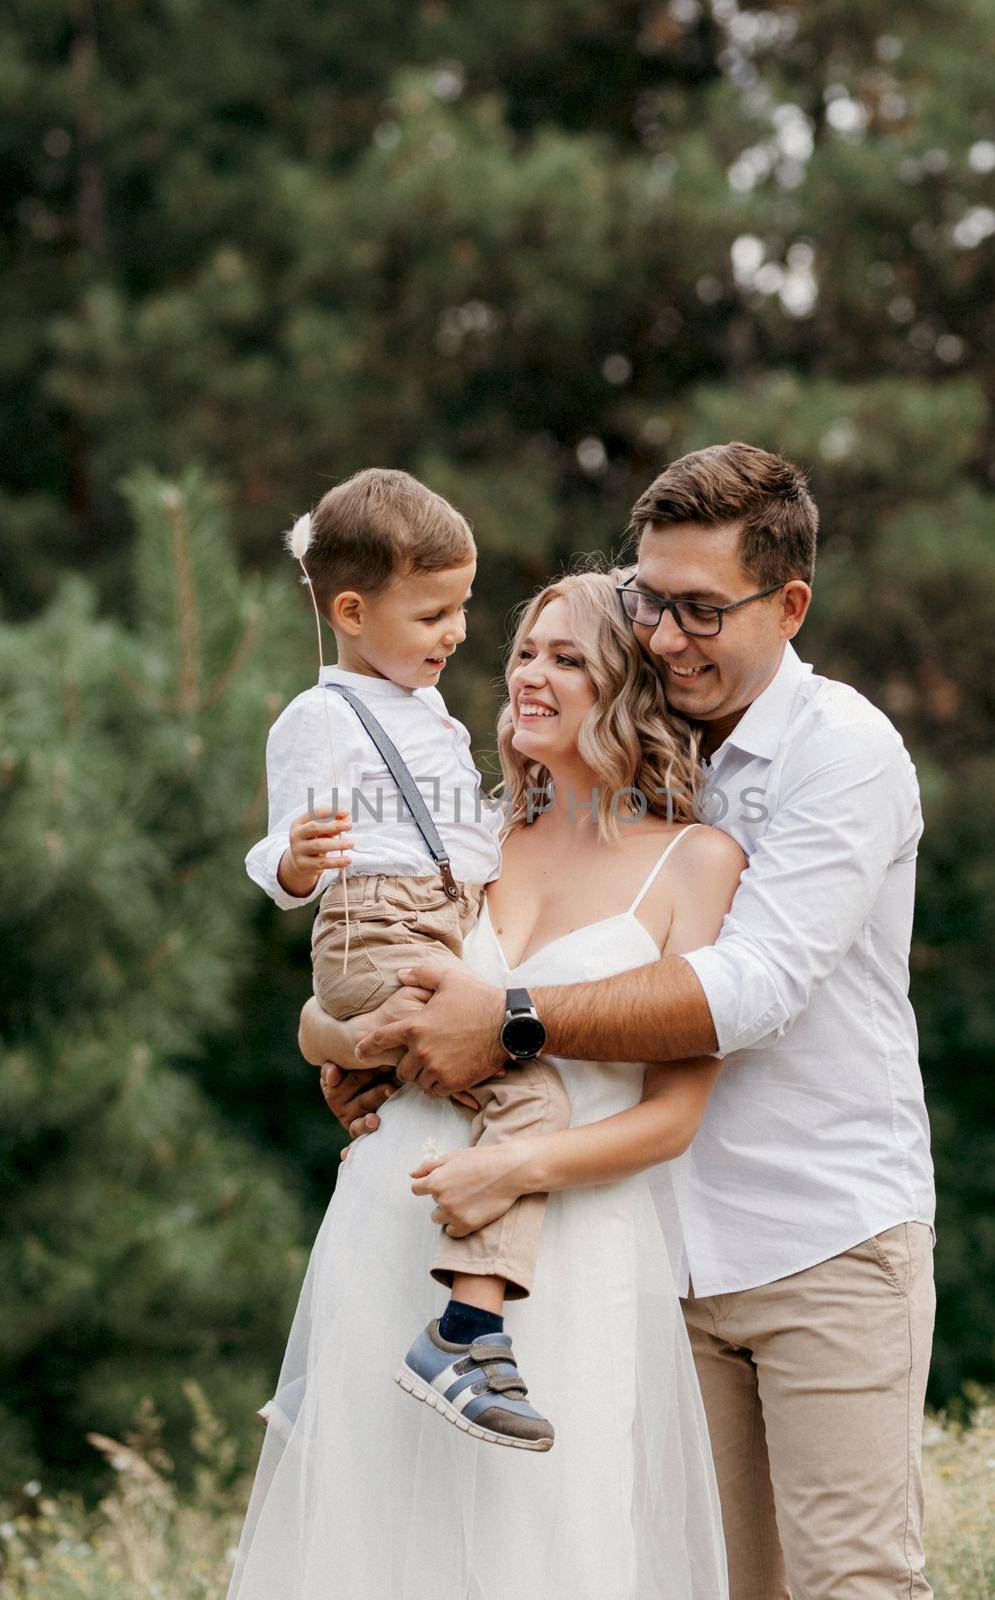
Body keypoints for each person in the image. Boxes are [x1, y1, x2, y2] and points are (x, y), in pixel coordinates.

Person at [325, 443, 938, 1600]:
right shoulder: (600, 769)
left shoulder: (840, 756)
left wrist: (500, 1022)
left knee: (853, 1583)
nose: (664, 634)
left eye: (702, 609)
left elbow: (749, 991)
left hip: (819, 1237)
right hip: (639, 1256)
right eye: (650, 601)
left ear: (789, 603)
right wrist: (385, 1050)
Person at [229, 570, 744, 1600]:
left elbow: (673, 1119)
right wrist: (329, 1040)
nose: (530, 677)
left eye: (568, 658)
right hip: (393, 1223)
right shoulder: (467, 832)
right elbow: (346, 985)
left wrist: (510, 1165)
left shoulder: (696, 862)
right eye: (524, 653)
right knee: (373, 1550)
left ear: (631, 686)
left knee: (547, 1557)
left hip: (568, 1253)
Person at [244, 466, 573, 1448]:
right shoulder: (322, 717)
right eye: (434, 612)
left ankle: (332, 1366)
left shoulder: (424, 712)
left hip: (430, 918)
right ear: (351, 610)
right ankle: (465, 1335)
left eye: (463, 607)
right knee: (529, 1099)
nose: (458, 631)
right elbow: (278, 848)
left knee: (406, 1121)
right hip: (374, 926)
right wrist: (294, 861)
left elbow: (452, 838)